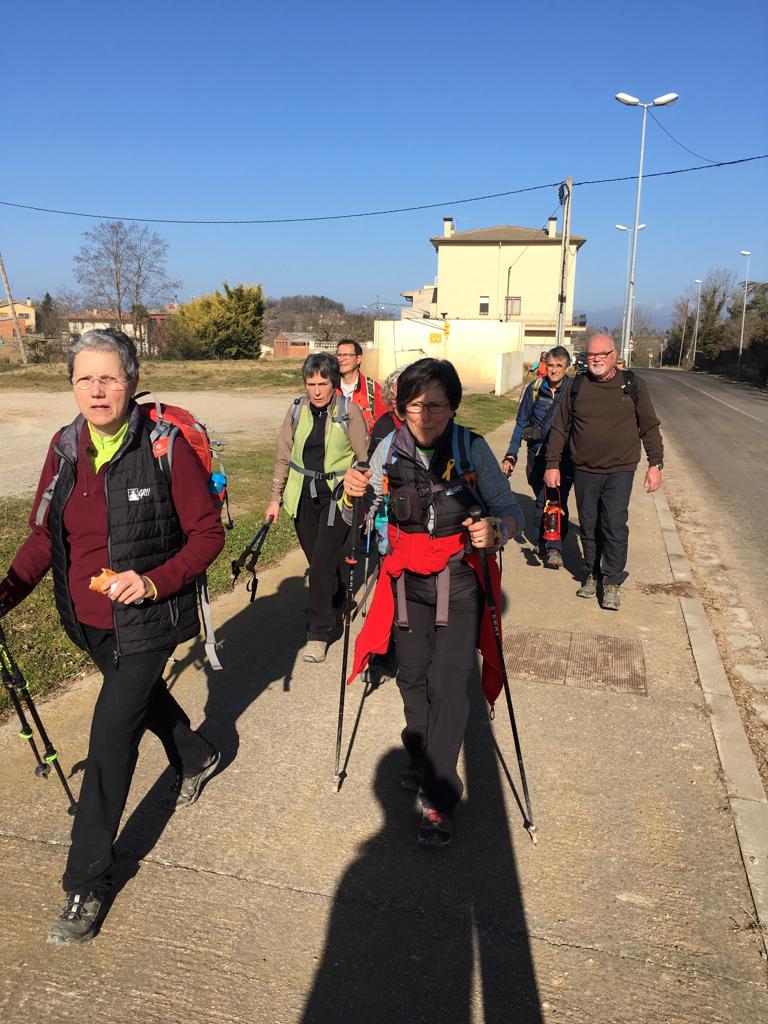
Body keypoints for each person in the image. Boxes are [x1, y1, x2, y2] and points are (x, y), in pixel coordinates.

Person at [0, 329, 225, 944]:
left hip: (147, 622)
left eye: (109, 378)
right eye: (85, 379)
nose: (97, 391)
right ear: (71, 384)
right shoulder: (64, 447)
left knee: (109, 741)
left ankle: (87, 882)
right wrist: (6, 594)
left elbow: (207, 535)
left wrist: (151, 583)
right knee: (141, 700)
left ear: (132, 381)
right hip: (87, 621)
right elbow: (44, 536)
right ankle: (196, 755)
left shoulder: (163, 447)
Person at [341, 358, 522, 848]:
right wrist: (352, 494)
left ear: (454, 406)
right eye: (416, 405)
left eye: (438, 406)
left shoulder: (471, 448)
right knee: (412, 677)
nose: (427, 415)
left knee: (448, 683)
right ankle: (420, 752)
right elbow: (361, 512)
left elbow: (509, 510)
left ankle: (440, 795)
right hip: (405, 584)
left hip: (459, 582)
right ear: (401, 408)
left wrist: (496, 530)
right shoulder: (388, 449)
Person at [543, 333, 664, 611]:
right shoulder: (577, 385)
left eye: (602, 354)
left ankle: (611, 581)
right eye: (591, 355)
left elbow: (649, 426)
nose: (596, 359)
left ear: (613, 355)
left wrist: (655, 464)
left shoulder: (632, 384)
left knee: (614, 524)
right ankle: (592, 574)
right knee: (588, 525)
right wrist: (552, 464)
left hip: (620, 469)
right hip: (584, 469)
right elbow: (559, 427)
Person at [265, 352, 368, 663]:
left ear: (334, 383)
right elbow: (283, 456)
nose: (317, 391)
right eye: (311, 384)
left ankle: (318, 632)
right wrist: (274, 498)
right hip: (302, 494)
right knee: (319, 560)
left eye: (323, 384)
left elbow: (365, 460)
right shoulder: (297, 410)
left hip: (337, 496)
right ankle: (339, 602)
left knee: (321, 565)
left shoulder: (349, 412)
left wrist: (363, 502)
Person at [501, 346, 574, 569]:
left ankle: (553, 547)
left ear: (567, 367)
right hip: (536, 454)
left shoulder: (574, 391)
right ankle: (545, 540)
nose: (554, 370)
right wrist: (511, 453)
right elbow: (521, 423)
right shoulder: (534, 389)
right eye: (550, 365)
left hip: (563, 456)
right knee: (541, 494)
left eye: (559, 366)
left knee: (552, 498)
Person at [335, 338, 387, 434]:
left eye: (346, 355)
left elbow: (384, 424)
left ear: (358, 359)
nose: (341, 359)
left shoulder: (372, 389)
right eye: (339, 355)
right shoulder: (331, 387)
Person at [368, 367, 403, 458]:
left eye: (401, 396)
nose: (396, 401)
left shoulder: (424, 423)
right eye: (393, 397)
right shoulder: (382, 424)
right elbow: (372, 456)